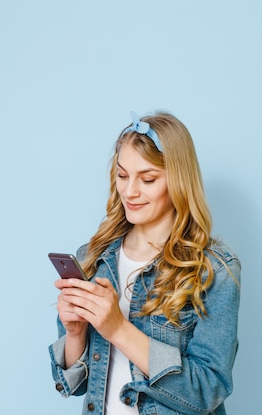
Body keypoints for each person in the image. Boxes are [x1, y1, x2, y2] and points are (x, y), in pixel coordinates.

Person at [49, 111, 241, 415]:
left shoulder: (213, 270)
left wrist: (118, 329)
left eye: (148, 179)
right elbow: (76, 384)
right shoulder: (94, 257)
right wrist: (75, 334)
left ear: (178, 181)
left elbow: (207, 390)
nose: (130, 191)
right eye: (123, 175)